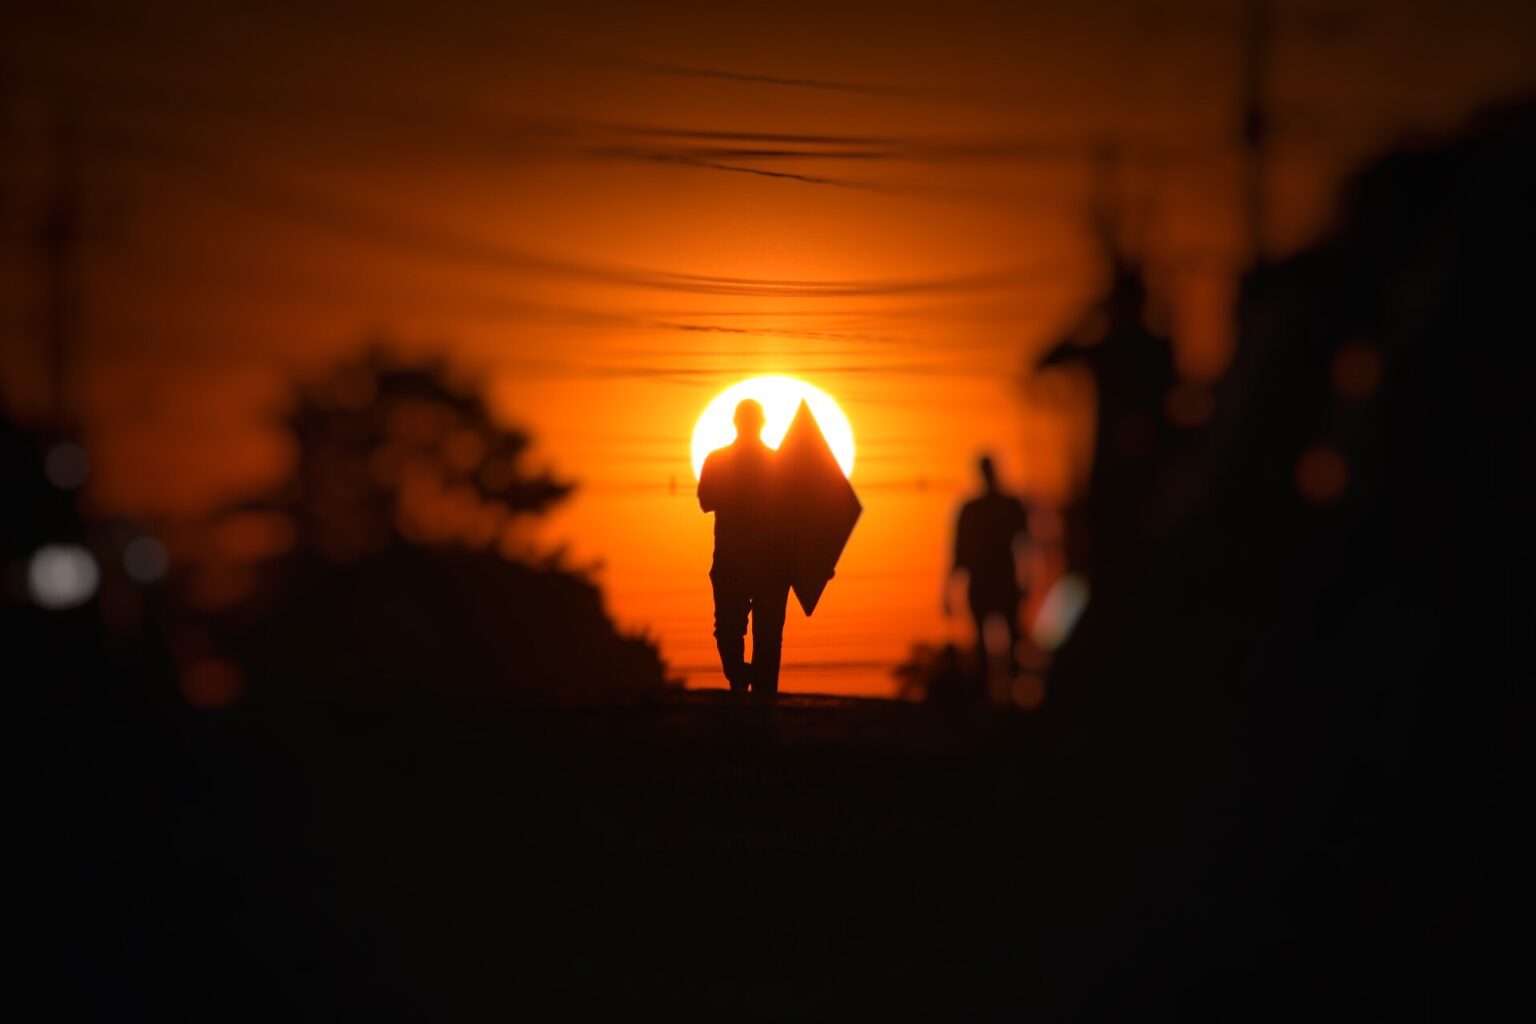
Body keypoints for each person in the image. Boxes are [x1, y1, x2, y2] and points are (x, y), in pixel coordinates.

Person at [697, 399, 791, 694]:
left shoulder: (778, 462)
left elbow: (799, 514)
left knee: (759, 632)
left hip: (758, 561)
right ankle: (742, 679)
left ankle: (758, 692)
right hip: (738, 560)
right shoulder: (772, 463)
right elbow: (706, 500)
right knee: (734, 629)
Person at [946, 455, 1030, 676]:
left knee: (1003, 643)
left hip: (998, 581)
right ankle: (998, 698)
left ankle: (1004, 697)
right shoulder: (1003, 506)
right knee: (995, 645)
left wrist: (949, 590)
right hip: (993, 582)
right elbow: (960, 551)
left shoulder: (978, 509)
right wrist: (948, 591)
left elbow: (1026, 546)